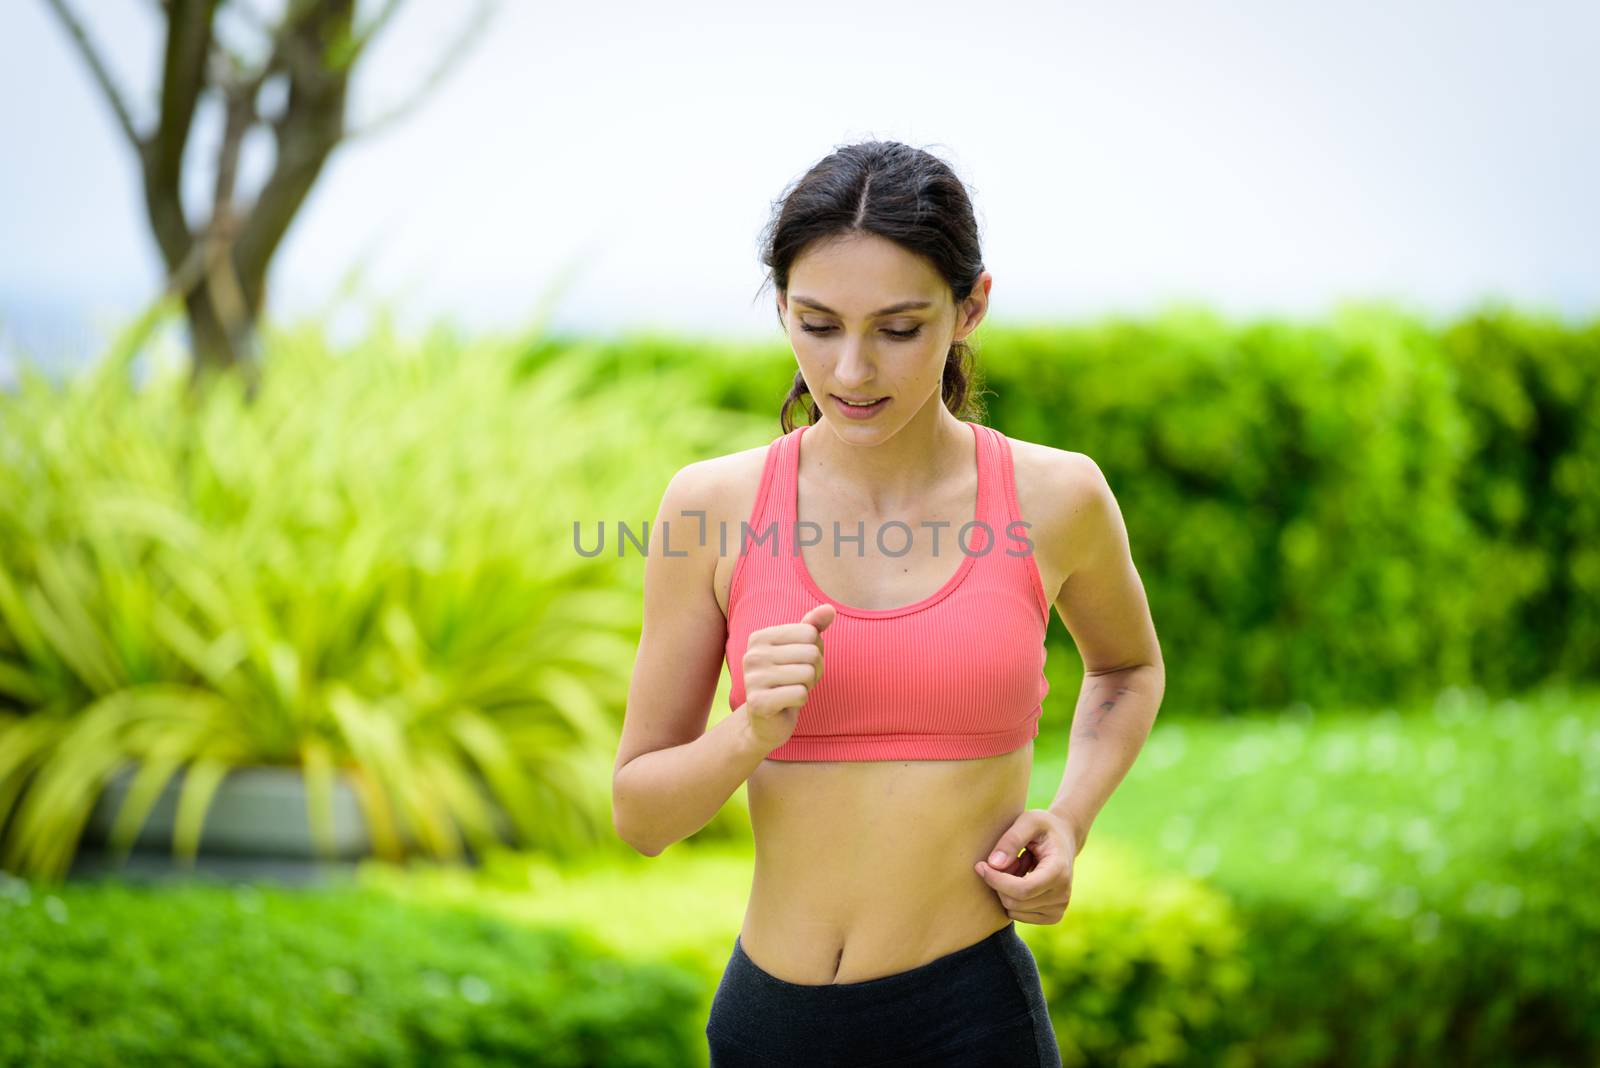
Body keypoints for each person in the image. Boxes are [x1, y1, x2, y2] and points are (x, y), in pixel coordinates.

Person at [612, 140, 1165, 1067]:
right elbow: (641, 817)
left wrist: (1069, 817)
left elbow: (1128, 667)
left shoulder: (1055, 497)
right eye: (817, 324)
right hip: (769, 1028)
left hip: (969, 1022)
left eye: (899, 329)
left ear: (971, 306)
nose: (854, 371)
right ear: (780, 304)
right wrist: (746, 732)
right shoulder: (710, 507)